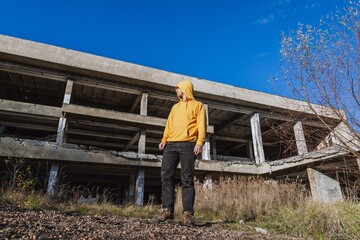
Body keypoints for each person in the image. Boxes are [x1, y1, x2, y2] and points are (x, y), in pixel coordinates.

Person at [158, 79, 206, 226]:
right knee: (166, 176)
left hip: (188, 145)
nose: (176, 90)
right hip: (171, 145)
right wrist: (164, 139)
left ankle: (188, 214)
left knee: (187, 179)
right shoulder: (175, 107)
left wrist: (199, 142)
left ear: (185, 88)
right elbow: (169, 124)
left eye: (178, 88)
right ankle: (167, 211)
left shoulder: (198, 106)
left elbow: (201, 125)